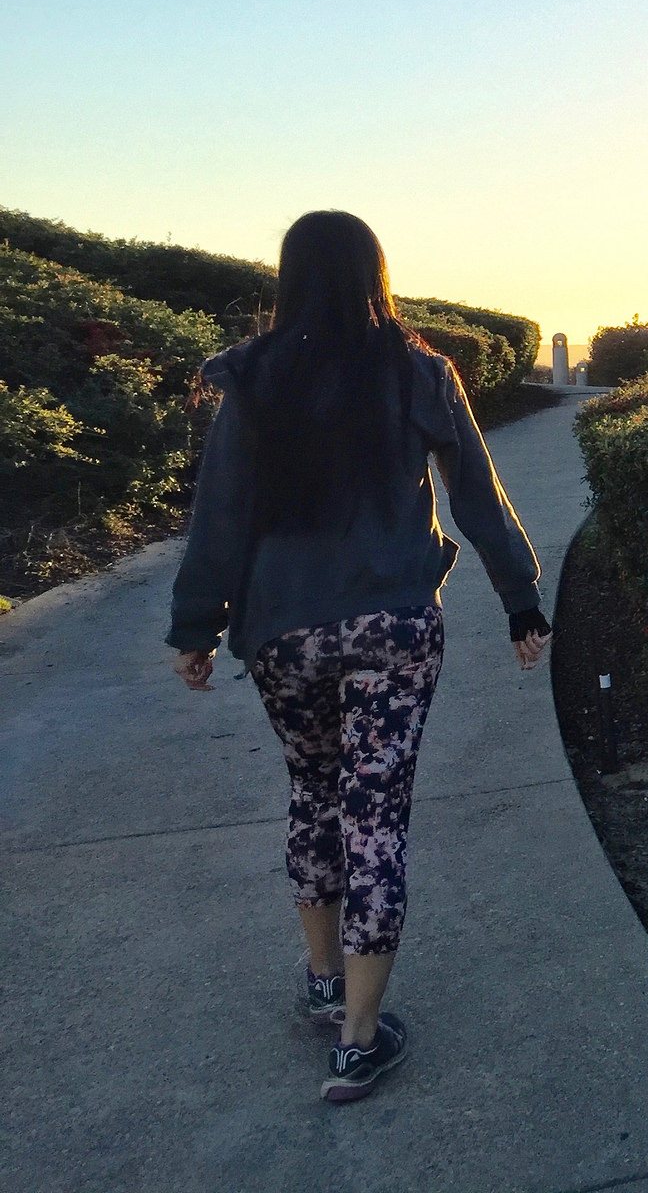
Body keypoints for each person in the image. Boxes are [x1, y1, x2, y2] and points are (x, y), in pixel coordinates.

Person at [165, 210, 552, 1104]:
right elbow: (479, 500)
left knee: (315, 795)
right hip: (393, 629)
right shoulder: (417, 373)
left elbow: (219, 513)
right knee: (376, 816)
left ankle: (324, 982)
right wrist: (521, 600)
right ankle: (360, 1040)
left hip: (284, 634)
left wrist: (196, 627)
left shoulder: (253, 379)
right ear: (378, 274)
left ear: (287, 276)